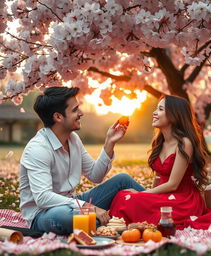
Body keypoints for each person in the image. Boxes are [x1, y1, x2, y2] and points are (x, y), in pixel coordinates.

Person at [110, 95, 211, 232]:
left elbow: (173, 184)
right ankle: (122, 224)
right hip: (164, 194)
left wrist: (142, 194)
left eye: (160, 109)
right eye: (156, 108)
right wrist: (147, 198)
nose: (154, 112)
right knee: (123, 195)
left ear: (174, 115)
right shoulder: (159, 143)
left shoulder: (184, 143)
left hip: (182, 200)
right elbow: (159, 179)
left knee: (130, 198)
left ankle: (123, 223)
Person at [19, 86, 145, 236]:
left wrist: (109, 143)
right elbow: (43, 198)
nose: (81, 113)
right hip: (44, 213)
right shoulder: (38, 149)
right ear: (58, 117)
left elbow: (94, 175)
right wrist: (88, 207)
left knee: (122, 180)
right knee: (65, 216)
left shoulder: (73, 139)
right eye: (75, 110)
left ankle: (163, 208)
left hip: (73, 202)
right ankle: (114, 224)